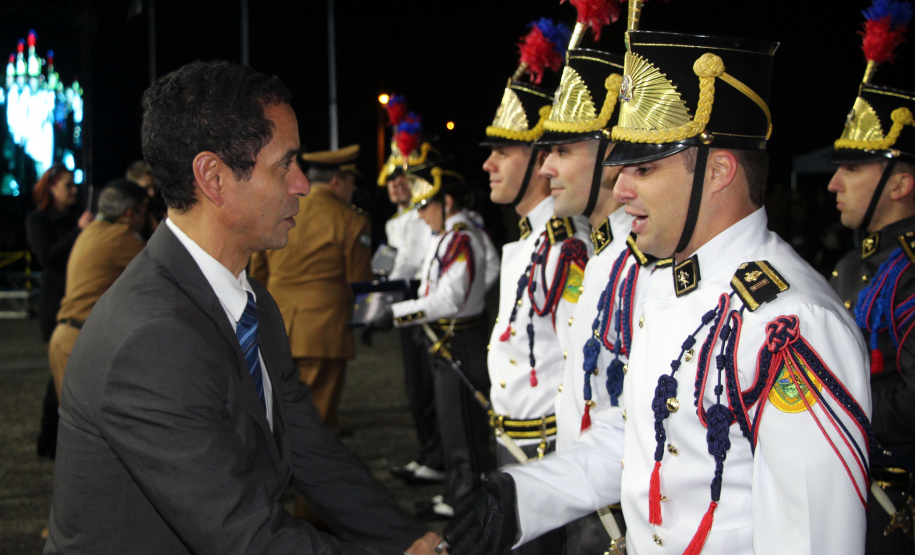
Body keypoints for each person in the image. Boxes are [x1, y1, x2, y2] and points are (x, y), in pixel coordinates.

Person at [446, 23, 874, 555]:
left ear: (719, 170)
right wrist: (518, 498)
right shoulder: (672, 285)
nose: (621, 188)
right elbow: (641, 437)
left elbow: (813, 538)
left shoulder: (788, 322)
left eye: (644, 168)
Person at [44, 60, 438, 554]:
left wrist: (411, 540)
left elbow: (311, 454)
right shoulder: (153, 337)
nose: (301, 184)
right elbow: (245, 538)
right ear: (213, 177)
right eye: (284, 165)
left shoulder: (252, 304)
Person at [479, 20, 592, 554]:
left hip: (547, 452)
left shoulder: (568, 246)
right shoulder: (530, 241)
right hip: (514, 439)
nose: (488, 164)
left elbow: (576, 366)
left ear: (541, 159)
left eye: (504, 152)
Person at [826, 12, 915, 550]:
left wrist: (829, 406)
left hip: (894, 512)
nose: (833, 182)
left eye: (853, 170)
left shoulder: (907, 272)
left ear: (902, 182)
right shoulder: (857, 263)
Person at [375, 164, 499, 520]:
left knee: (464, 428)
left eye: (425, 204)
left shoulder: (461, 238)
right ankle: (459, 495)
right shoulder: (447, 237)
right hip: (448, 338)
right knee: (453, 425)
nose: (420, 213)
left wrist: (397, 314)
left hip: (460, 339)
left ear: (446, 202)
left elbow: (447, 300)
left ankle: (469, 500)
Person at [250, 144, 372, 431]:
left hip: (276, 325)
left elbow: (258, 272)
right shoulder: (351, 221)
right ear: (337, 182)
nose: (353, 190)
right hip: (324, 333)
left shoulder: (281, 212)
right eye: (351, 183)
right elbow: (359, 281)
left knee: (277, 410)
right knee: (316, 420)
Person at [379, 140, 445, 485]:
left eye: (402, 177)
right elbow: (389, 260)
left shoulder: (418, 216)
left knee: (427, 384)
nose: (396, 184)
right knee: (416, 385)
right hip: (403, 298)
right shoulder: (395, 222)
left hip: (421, 301)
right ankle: (428, 452)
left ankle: (436, 456)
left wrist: (381, 291)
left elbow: (407, 263)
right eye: (391, 178)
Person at [48, 179, 147, 400]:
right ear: (131, 213)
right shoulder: (120, 237)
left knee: (74, 423)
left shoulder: (92, 230)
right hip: (80, 341)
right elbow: (163, 269)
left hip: (66, 337)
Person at [25, 163, 92, 459]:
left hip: (76, 301)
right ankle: (49, 438)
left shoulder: (79, 216)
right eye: (67, 185)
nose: (74, 190)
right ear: (51, 188)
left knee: (65, 373)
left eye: (74, 185)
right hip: (57, 303)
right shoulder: (38, 220)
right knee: (60, 374)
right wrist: (79, 232)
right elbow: (48, 257)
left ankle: (50, 440)